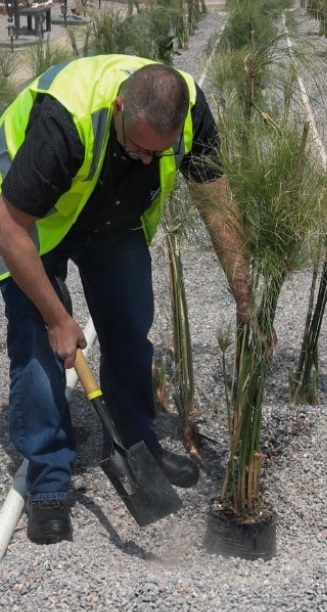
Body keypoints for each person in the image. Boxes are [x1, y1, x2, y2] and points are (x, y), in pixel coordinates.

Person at [0, 55, 254, 544]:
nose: (144, 158)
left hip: (113, 220)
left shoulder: (191, 112)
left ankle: (138, 442)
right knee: (37, 345)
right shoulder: (65, 121)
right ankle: (49, 481)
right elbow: (10, 230)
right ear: (118, 107)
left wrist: (245, 299)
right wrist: (58, 318)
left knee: (130, 324)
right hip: (35, 223)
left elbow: (217, 202)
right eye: (137, 147)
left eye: (156, 154)